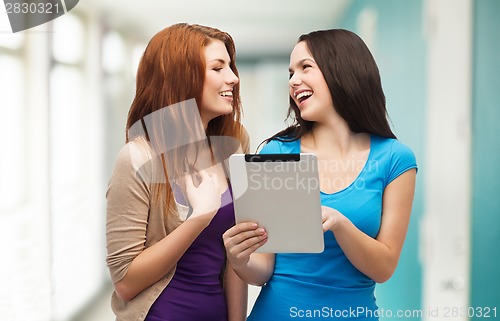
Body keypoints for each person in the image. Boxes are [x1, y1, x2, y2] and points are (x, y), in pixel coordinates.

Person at [223, 29, 417, 320]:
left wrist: (340, 224)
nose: (293, 81)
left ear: (342, 70)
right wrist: (240, 260)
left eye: (305, 67)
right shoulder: (278, 152)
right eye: (290, 72)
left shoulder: (394, 159)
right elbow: (263, 268)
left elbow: (383, 267)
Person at [105, 23, 249, 321]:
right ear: (181, 78)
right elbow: (125, 283)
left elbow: (237, 255)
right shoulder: (136, 158)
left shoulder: (235, 145)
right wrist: (198, 218)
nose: (233, 78)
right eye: (218, 68)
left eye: (231, 67)